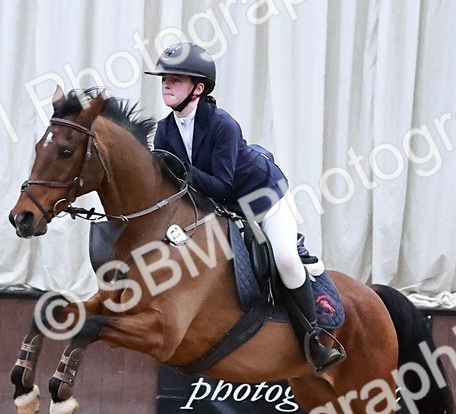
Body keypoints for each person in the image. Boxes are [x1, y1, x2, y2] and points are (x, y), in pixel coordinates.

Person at [145, 42, 345, 373]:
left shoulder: (223, 124)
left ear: (198, 88)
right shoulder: (165, 129)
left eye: (176, 79)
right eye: (165, 78)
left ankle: (315, 339)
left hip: (261, 198)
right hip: (218, 208)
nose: (166, 83)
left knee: (284, 259)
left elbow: (220, 185)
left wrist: (179, 170)